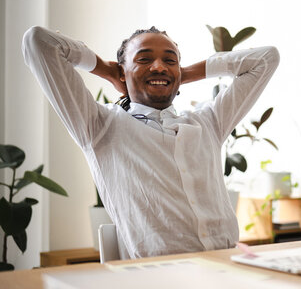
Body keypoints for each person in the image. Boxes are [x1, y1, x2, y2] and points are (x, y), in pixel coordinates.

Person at [22, 25, 279, 259]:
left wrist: (182, 75)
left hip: (229, 265)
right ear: (122, 71)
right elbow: (39, 42)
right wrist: (105, 69)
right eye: (144, 59)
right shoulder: (99, 126)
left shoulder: (209, 122)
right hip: (158, 276)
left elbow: (267, 59)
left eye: (170, 60)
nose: (159, 66)